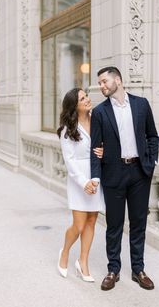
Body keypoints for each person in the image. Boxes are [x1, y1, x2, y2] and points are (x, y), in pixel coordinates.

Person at [90, 66, 159, 291]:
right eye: (99, 83)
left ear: (117, 80)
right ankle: (113, 270)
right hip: (113, 174)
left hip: (139, 172)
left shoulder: (141, 104)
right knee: (114, 225)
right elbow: (95, 148)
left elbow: (152, 136)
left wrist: (152, 162)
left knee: (138, 224)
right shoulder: (100, 112)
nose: (101, 86)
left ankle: (138, 269)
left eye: (104, 81)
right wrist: (96, 177)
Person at [57, 87, 105, 282]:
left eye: (86, 96)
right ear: (74, 105)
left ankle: (83, 261)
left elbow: (106, 143)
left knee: (92, 220)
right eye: (82, 98)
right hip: (79, 179)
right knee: (78, 225)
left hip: (97, 177)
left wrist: (105, 152)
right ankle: (65, 252)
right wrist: (83, 182)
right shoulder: (67, 130)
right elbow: (69, 162)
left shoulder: (98, 120)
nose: (87, 99)